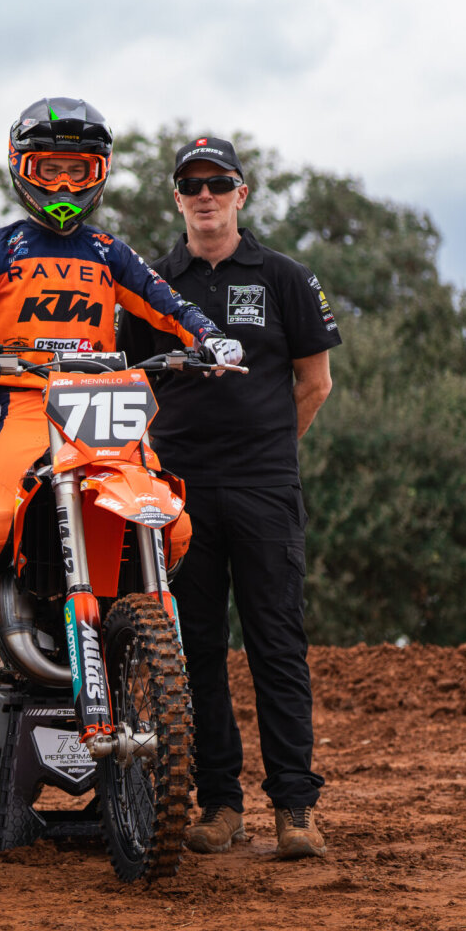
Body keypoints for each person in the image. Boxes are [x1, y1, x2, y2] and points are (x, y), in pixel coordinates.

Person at [0, 97, 242, 678]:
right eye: (50, 170)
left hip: (103, 405)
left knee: (176, 526)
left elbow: (169, 303)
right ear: (23, 169)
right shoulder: (2, 246)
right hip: (27, 403)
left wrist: (211, 336)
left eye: (79, 170)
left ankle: (126, 611)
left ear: (100, 172)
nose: (65, 184)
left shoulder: (107, 251)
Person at [116, 136, 339, 860]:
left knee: (277, 644)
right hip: (177, 493)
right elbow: (130, 383)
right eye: (192, 185)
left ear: (242, 193)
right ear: (177, 197)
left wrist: (268, 450)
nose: (205, 196)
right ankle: (220, 804)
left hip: (264, 488)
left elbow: (315, 382)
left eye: (219, 183)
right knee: (196, 650)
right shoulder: (150, 284)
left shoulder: (285, 277)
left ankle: (295, 810)